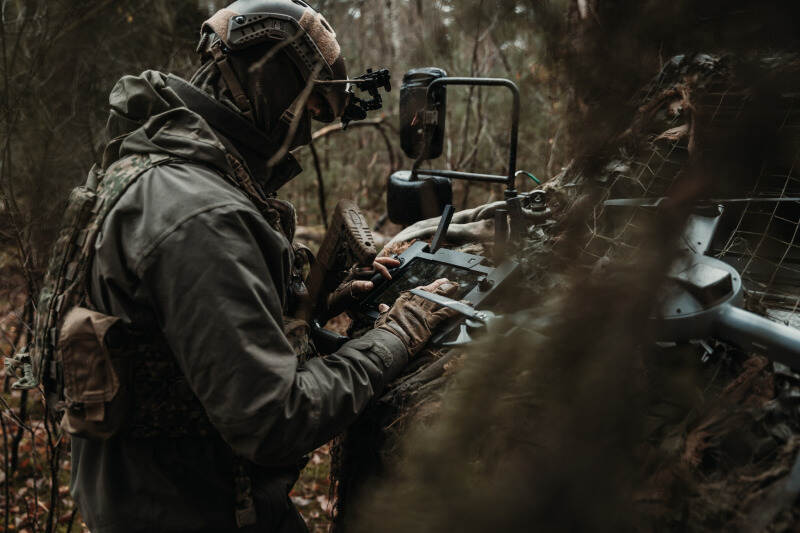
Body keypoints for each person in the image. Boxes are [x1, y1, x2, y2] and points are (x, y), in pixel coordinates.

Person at [67, 1, 456, 531]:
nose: (304, 136)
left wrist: (311, 304)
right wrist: (398, 333)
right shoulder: (201, 210)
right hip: (188, 506)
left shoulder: (155, 166)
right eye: (310, 109)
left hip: (145, 489)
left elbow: (173, 335)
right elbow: (277, 420)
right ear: (270, 86)